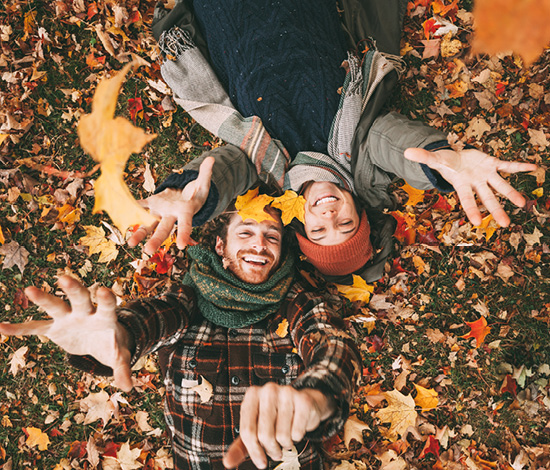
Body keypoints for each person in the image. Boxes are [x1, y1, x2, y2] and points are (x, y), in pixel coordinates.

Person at [128, 0, 537, 283]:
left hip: (228, 15)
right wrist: (442, 161)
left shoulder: (265, 174)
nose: (329, 215)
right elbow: (396, 144)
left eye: (319, 230)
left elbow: (226, 170)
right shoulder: (359, 150)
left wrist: (192, 196)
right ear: (360, 206)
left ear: (299, 224)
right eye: (346, 224)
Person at [0, 193, 361, 470]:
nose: (258, 245)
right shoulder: (186, 300)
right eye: (246, 232)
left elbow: (331, 342)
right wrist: (120, 337)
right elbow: (154, 318)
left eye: (272, 237)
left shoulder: (296, 301)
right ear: (220, 246)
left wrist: (318, 396)